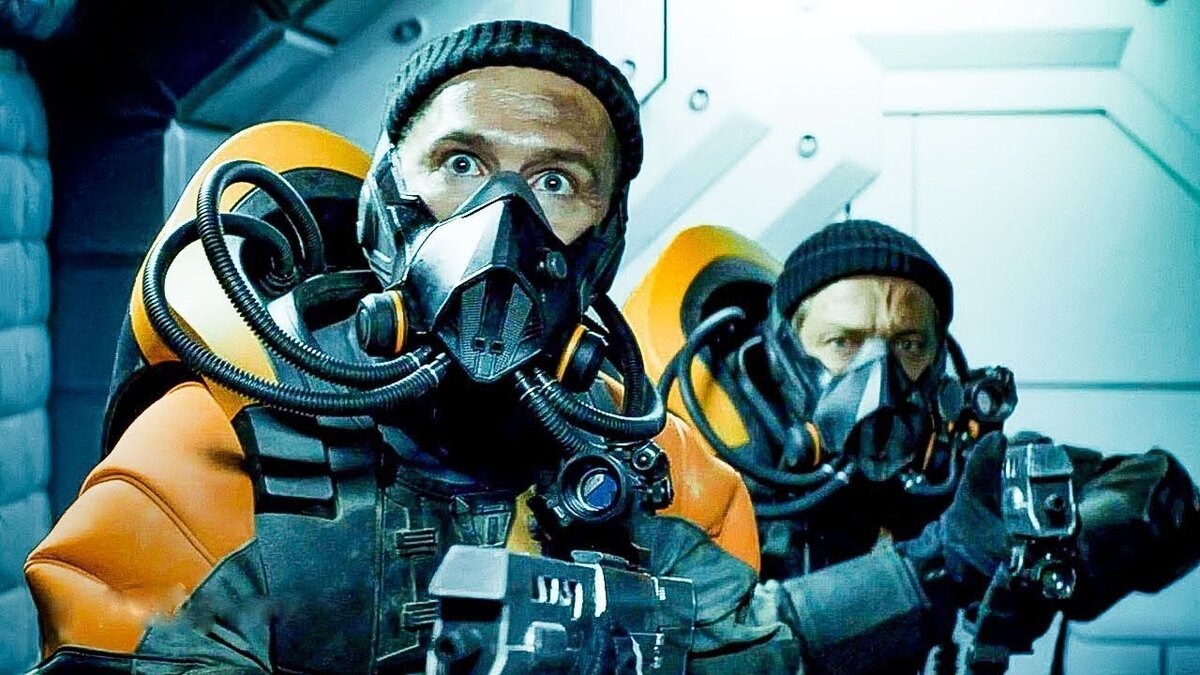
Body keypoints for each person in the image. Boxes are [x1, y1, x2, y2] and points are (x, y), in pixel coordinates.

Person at [624, 219, 1200, 670]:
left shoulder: (959, 479)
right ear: (785, 359)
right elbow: (721, 651)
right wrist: (938, 565)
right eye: (843, 342)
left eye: (908, 344)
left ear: (939, 357)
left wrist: (1086, 527)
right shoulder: (692, 482)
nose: (881, 376)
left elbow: (1167, 500)